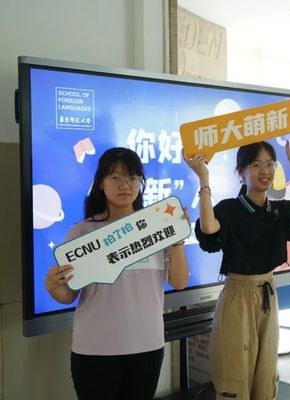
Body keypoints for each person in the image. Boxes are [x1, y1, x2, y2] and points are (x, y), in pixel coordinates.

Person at [45, 147, 190, 400]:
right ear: (101, 183)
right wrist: (52, 285)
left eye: (133, 177)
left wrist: (177, 238)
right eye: (115, 177)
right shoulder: (82, 232)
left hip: (147, 346)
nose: (125, 185)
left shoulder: (156, 226)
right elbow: (68, 296)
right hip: (95, 349)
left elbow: (179, 282)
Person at [184, 131, 290, 400]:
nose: (264, 171)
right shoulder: (230, 209)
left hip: (268, 291)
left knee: (266, 373)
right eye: (256, 164)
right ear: (241, 172)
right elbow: (209, 228)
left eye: (270, 164)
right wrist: (204, 179)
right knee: (235, 373)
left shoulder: (276, 210)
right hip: (237, 295)